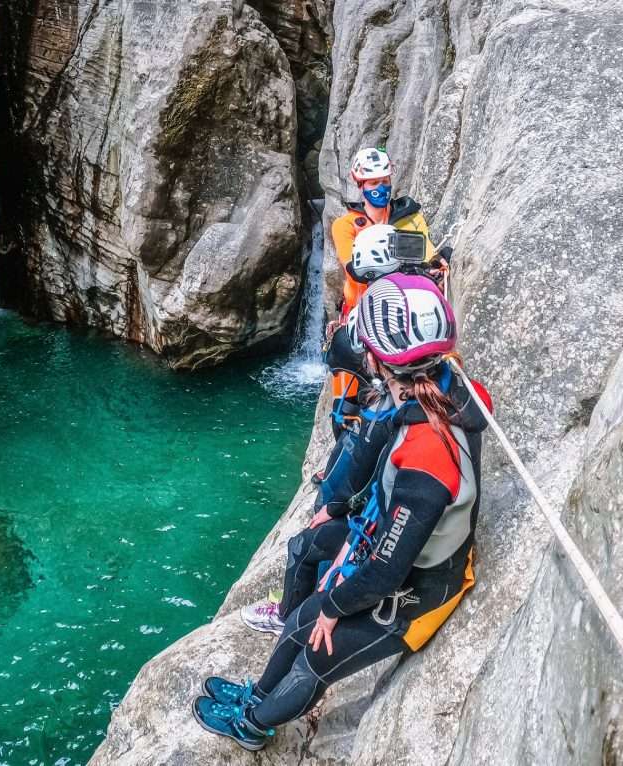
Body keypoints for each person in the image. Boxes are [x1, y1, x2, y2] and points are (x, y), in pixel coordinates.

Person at [194, 274, 491, 751]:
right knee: (301, 616)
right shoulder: (435, 388)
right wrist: (344, 525)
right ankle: (260, 692)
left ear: (380, 359)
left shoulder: (427, 455)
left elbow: (388, 572)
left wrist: (335, 605)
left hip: (419, 590)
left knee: (315, 651)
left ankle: (253, 725)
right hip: (395, 552)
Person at [328, 147, 448, 435]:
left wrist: (435, 263)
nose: (381, 188)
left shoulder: (409, 216)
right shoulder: (346, 226)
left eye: (384, 181)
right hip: (360, 315)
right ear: (361, 186)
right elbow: (353, 268)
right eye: (373, 183)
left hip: (402, 317)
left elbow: (427, 253)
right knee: (345, 409)